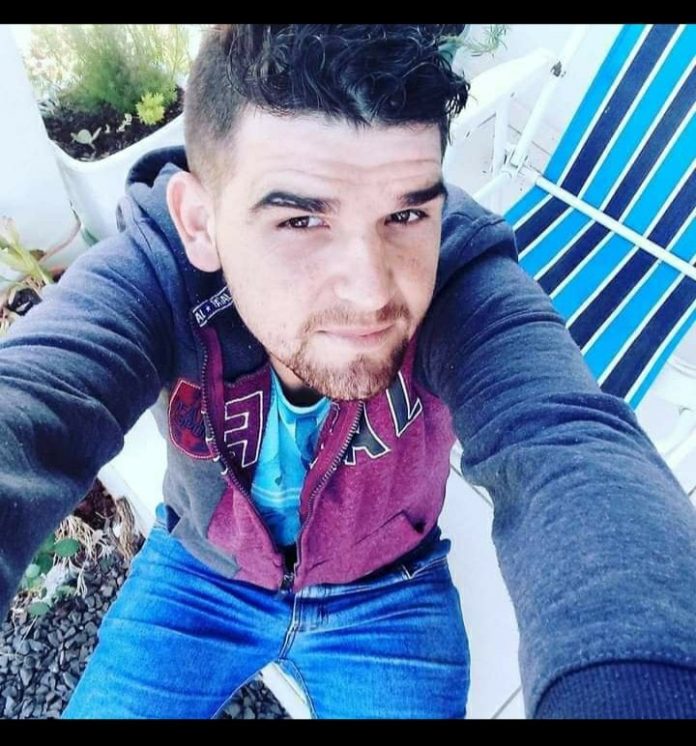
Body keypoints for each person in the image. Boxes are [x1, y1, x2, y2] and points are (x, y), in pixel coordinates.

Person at [1, 23, 694, 719]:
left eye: (405, 213)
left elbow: (563, 442)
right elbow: (33, 402)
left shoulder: (459, 272)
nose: (370, 290)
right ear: (200, 222)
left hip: (390, 592)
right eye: (301, 222)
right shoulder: (154, 276)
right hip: (201, 572)